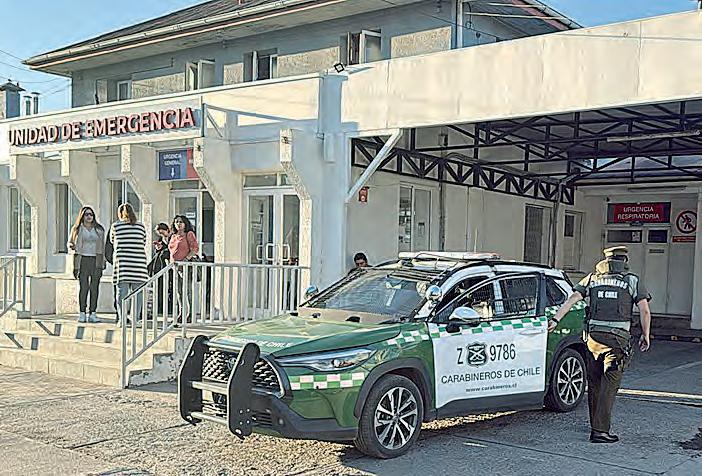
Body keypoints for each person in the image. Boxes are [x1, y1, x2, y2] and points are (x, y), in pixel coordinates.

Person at [548, 246, 651, 444]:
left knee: (594, 383)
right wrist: (646, 335)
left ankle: (595, 424)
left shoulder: (592, 279)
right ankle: (600, 431)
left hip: (593, 340)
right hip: (617, 342)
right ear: (624, 260)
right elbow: (644, 310)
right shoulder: (632, 281)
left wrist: (555, 319)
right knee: (609, 385)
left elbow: (572, 299)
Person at [111, 203, 148, 324]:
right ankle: (135, 319)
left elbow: (112, 241)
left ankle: (122, 319)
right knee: (138, 294)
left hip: (122, 264)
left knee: (121, 293)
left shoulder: (116, 226)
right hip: (139, 264)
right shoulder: (140, 226)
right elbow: (143, 242)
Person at [68, 206, 106, 324]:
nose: (89, 217)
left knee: (94, 287)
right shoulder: (77, 229)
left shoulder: (99, 229)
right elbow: (70, 242)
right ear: (82, 216)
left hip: (96, 259)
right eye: (86, 214)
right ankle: (82, 313)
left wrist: (103, 261)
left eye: (91, 214)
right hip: (82, 259)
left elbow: (103, 246)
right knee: (84, 287)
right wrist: (71, 246)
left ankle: (93, 313)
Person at [168, 215, 199, 323]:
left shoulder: (189, 234)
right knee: (179, 292)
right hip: (175, 267)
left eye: (181, 222)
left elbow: (195, 248)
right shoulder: (173, 236)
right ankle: (182, 312)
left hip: (185, 266)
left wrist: (186, 259)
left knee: (188, 290)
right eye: (176, 222)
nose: (179, 224)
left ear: (185, 223)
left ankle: (191, 313)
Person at [148, 223, 172, 315]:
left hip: (168, 266)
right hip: (161, 268)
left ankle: (167, 306)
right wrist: (158, 248)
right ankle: (160, 306)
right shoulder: (160, 240)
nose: (161, 235)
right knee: (160, 288)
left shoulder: (172, 238)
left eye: (162, 233)